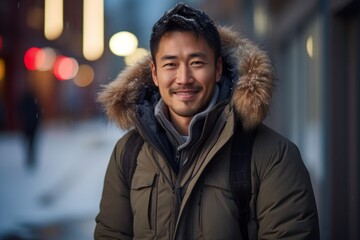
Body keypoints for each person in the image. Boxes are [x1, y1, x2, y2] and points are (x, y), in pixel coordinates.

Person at [95, 3, 319, 239]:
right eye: (170, 64)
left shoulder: (272, 156)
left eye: (197, 63)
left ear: (218, 68)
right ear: (154, 73)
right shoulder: (128, 154)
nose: (183, 78)